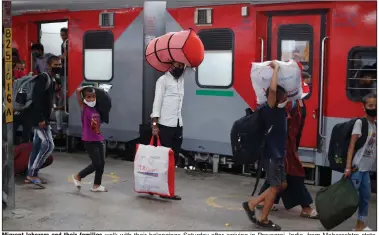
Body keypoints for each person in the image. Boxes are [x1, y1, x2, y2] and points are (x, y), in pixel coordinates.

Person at [242, 61, 288, 230]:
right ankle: (264, 219)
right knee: (275, 187)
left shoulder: (281, 109)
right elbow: (274, 90)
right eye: (282, 96)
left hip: (279, 153)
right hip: (271, 153)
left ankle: (252, 203)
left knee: (282, 185)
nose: (284, 97)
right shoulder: (270, 109)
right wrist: (275, 69)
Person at [151, 62, 188, 201]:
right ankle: (160, 189)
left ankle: (168, 190)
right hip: (165, 125)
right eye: (177, 65)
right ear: (170, 65)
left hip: (178, 124)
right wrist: (154, 125)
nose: (179, 68)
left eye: (182, 66)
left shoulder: (181, 80)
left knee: (173, 160)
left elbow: (192, 67)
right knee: (163, 161)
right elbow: (157, 102)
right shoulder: (162, 80)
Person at [25, 56, 61, 188]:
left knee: (36, 146)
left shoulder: (51, 79)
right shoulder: (44, 77)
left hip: (42, 118)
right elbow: (36, 99)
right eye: (56, 64)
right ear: (49, 65)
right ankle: (33, 174)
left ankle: (30, 175)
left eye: (60, 64)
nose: (59, 66)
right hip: (39, 119)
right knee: (48, 145)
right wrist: (40, 118)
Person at [344, 93, 377, 231]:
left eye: (375, 106)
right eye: (370, 106)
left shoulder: (375, 125)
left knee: (365, 198)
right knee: (349, 200)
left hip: (366, 170)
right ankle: (332, 217)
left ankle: (360, 225)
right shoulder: (360, 123)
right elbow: (352, 145)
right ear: (364, 107)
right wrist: (348, 167)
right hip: (357, 168)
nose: (373, 108)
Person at [72, 86, 107, 192]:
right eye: (88, 97)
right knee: (96, 163)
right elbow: (78, 91)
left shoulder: (96, 108)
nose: (91, 99)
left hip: (98, 138)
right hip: (89, 140)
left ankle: (96, 185)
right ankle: (78, 176)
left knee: (102, 163)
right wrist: (90, 87)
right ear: (84, 98)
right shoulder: (84, 108)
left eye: (93, 96)